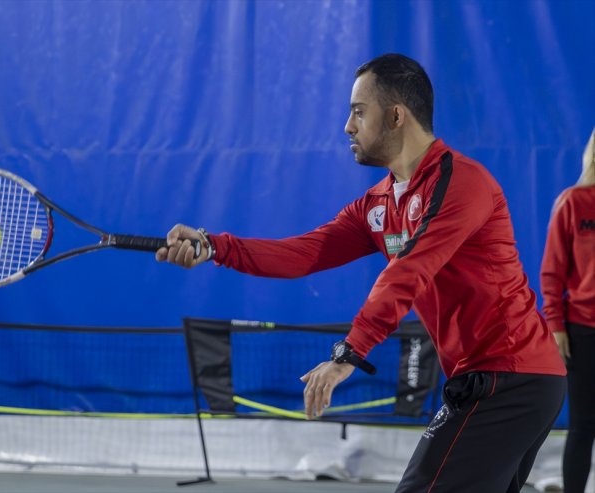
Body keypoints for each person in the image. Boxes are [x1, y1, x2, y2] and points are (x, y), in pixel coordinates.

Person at [156, 53, 566, 492]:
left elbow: (409, 271)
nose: (347, 127)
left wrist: (348, 354)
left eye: (357, 112)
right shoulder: (377, 204)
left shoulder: (461, 182)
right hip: (494, 378)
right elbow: (303, 254)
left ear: (395, 116)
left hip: (510, 376)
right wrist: (215, 246)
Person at [541, 128, 595, 493]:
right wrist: (556, 326)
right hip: (582, 331)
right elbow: (552, 272)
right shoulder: (573, 202)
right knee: (583, 425)